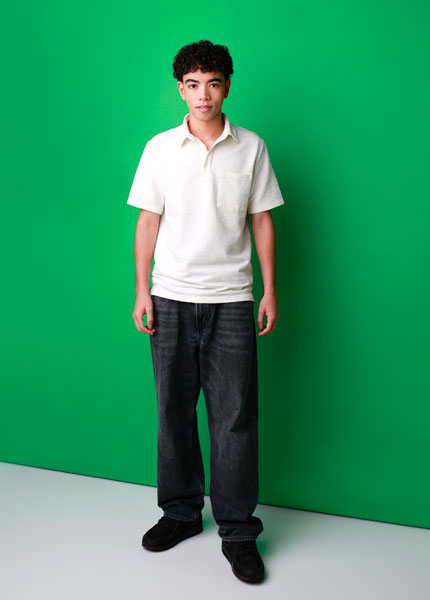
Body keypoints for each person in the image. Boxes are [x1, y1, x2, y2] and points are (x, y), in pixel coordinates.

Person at [126, 39, 284, 584]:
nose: (203, 95)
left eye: (213, 83)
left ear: (227, 86)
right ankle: (180, 512)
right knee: (172, 412)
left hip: (232, 299)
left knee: (234, 419)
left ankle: (238, 531)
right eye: (193, 85)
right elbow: (148, 220)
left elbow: (262, 219)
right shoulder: (159, 149)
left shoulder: (252, 147)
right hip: (170, 296)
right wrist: (142, 291)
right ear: (180, 89)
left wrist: (269, 291)